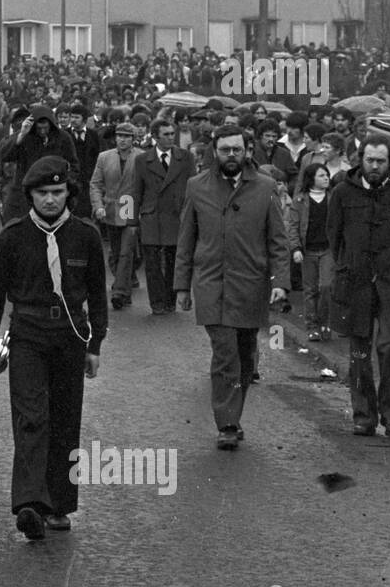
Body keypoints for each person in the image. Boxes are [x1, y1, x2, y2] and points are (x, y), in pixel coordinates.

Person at [0, 156, 106, 537]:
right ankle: (30, 504)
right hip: (28, 336)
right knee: (32, 416)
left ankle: (59, 506)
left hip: (71, 337)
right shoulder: (14, 236)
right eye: (42, 193)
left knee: (66, 419)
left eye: (57, 192)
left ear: (69, 193)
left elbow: (97, 295)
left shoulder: (86, 235)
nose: (50, 200)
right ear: (30, 196)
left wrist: (95, 344)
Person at [173, 125, 289, 449]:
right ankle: (227, 423)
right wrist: (181, 286)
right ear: (215, 151)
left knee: (245, 355)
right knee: (225, 354)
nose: (231, 156)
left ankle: (233, 415)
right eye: (225, 150)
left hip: (250, 285)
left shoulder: (266, 188)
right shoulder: (197, 187)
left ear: (247, 151)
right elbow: (186, 239)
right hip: (211, 283)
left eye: (237, 150)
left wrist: (281, 283)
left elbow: (278, 241)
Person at [328, 135, 390, 438]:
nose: (375, 166)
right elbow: (334, 237)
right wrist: (349, 265)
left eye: (381, 161)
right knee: (358, 353)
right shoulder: (342, 192)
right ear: (360, 159)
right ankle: (363, 415)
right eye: (370, 160)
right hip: (355, 281)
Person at [131, 118, 193, 315]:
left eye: (171, 133)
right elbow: (135, 192)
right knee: (152, 263)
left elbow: (193, 187)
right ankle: (156, 303)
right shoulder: (142, 160)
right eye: (165, 134)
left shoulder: (186, 157)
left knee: (174, 260)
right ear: (155, 137)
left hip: (177, 215)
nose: (170, 137)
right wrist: (131, 221)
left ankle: (169, 300)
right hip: (152, 217)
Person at [88, 122, 140, 309]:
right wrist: (98, 206)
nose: (122, 140)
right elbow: (95, 184)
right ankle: (125, 290)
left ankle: (118, 292)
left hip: (132, 209)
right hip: (110, 210)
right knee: (117, 252)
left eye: (127, 136)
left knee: (127, 250)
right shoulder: (104, 157)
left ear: (133, 139)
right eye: (119, 136)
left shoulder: (141, 157)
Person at [288, 163, 335, 343]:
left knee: (326, 287)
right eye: (322, 175)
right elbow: (293, 226)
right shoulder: (299, 200)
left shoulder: (332, 198)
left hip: (327, 250)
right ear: (311, 179)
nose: (326, 178)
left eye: (327, 175)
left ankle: (325, 323)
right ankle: (312, 327)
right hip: (307, 251)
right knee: (310, 290)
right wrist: (296, 248)